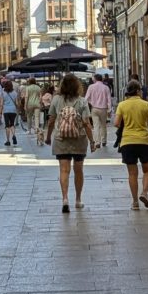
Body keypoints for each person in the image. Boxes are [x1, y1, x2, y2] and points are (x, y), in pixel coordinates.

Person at [45, 73, 94, 213]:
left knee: (64, 170)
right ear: (77, 86)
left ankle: (65, 198)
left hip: (61, 139)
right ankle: (78, 200)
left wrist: (48, 137)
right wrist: (92, 141)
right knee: (78, 170)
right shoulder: (82, 101)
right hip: (79, 139)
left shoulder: (55, 100)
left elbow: (51, 121)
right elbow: (86, 123)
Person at [114, 78, 148, 210]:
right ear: (138, 91)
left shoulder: (122, 105)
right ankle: (144, 193)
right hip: (144, 141)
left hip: (127, 142)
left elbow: (116, 123)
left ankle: (134, 202)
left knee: (132, 173)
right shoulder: (146, 105)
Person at [85, 72, 112, 147]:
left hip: (94, 109)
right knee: (103, 125)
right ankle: (104, 141)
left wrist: (91, 103)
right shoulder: (106, 87)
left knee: (96, 126)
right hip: (103, 109)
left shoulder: (91, 87)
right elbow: (109, 100)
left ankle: (97, 142)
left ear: (96, 79)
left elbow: (86, 99)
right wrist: (109, 110)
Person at [0, 80, 21, 147]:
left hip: (6, 110)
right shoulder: (15, 93)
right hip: (13, 110)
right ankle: (14, 135)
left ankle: (8, 141)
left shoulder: (3, 93)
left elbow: (1, 104)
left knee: (7, 126)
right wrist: (18, 108)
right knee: (12, 124)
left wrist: (0, 113)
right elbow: (17, 103)